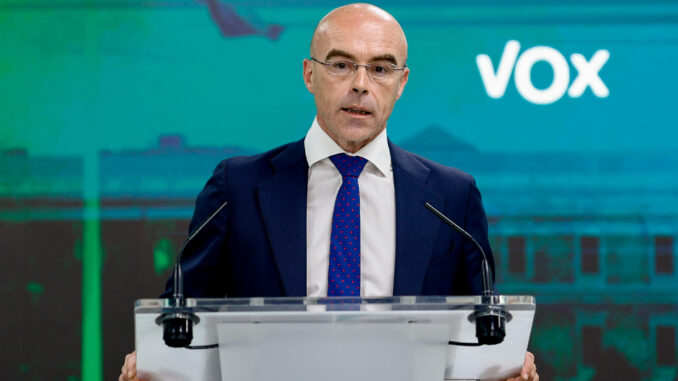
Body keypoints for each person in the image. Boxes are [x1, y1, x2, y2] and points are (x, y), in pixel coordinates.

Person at [119, 3, 539, 381]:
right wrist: (156, 366)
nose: (361, 84)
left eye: (380, 68)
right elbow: (182, 312)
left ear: (401, 82)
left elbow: (480, 332)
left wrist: (503, 369)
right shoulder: (238, 186)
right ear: (309, 74)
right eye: (341, 65)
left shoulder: (451, 196)